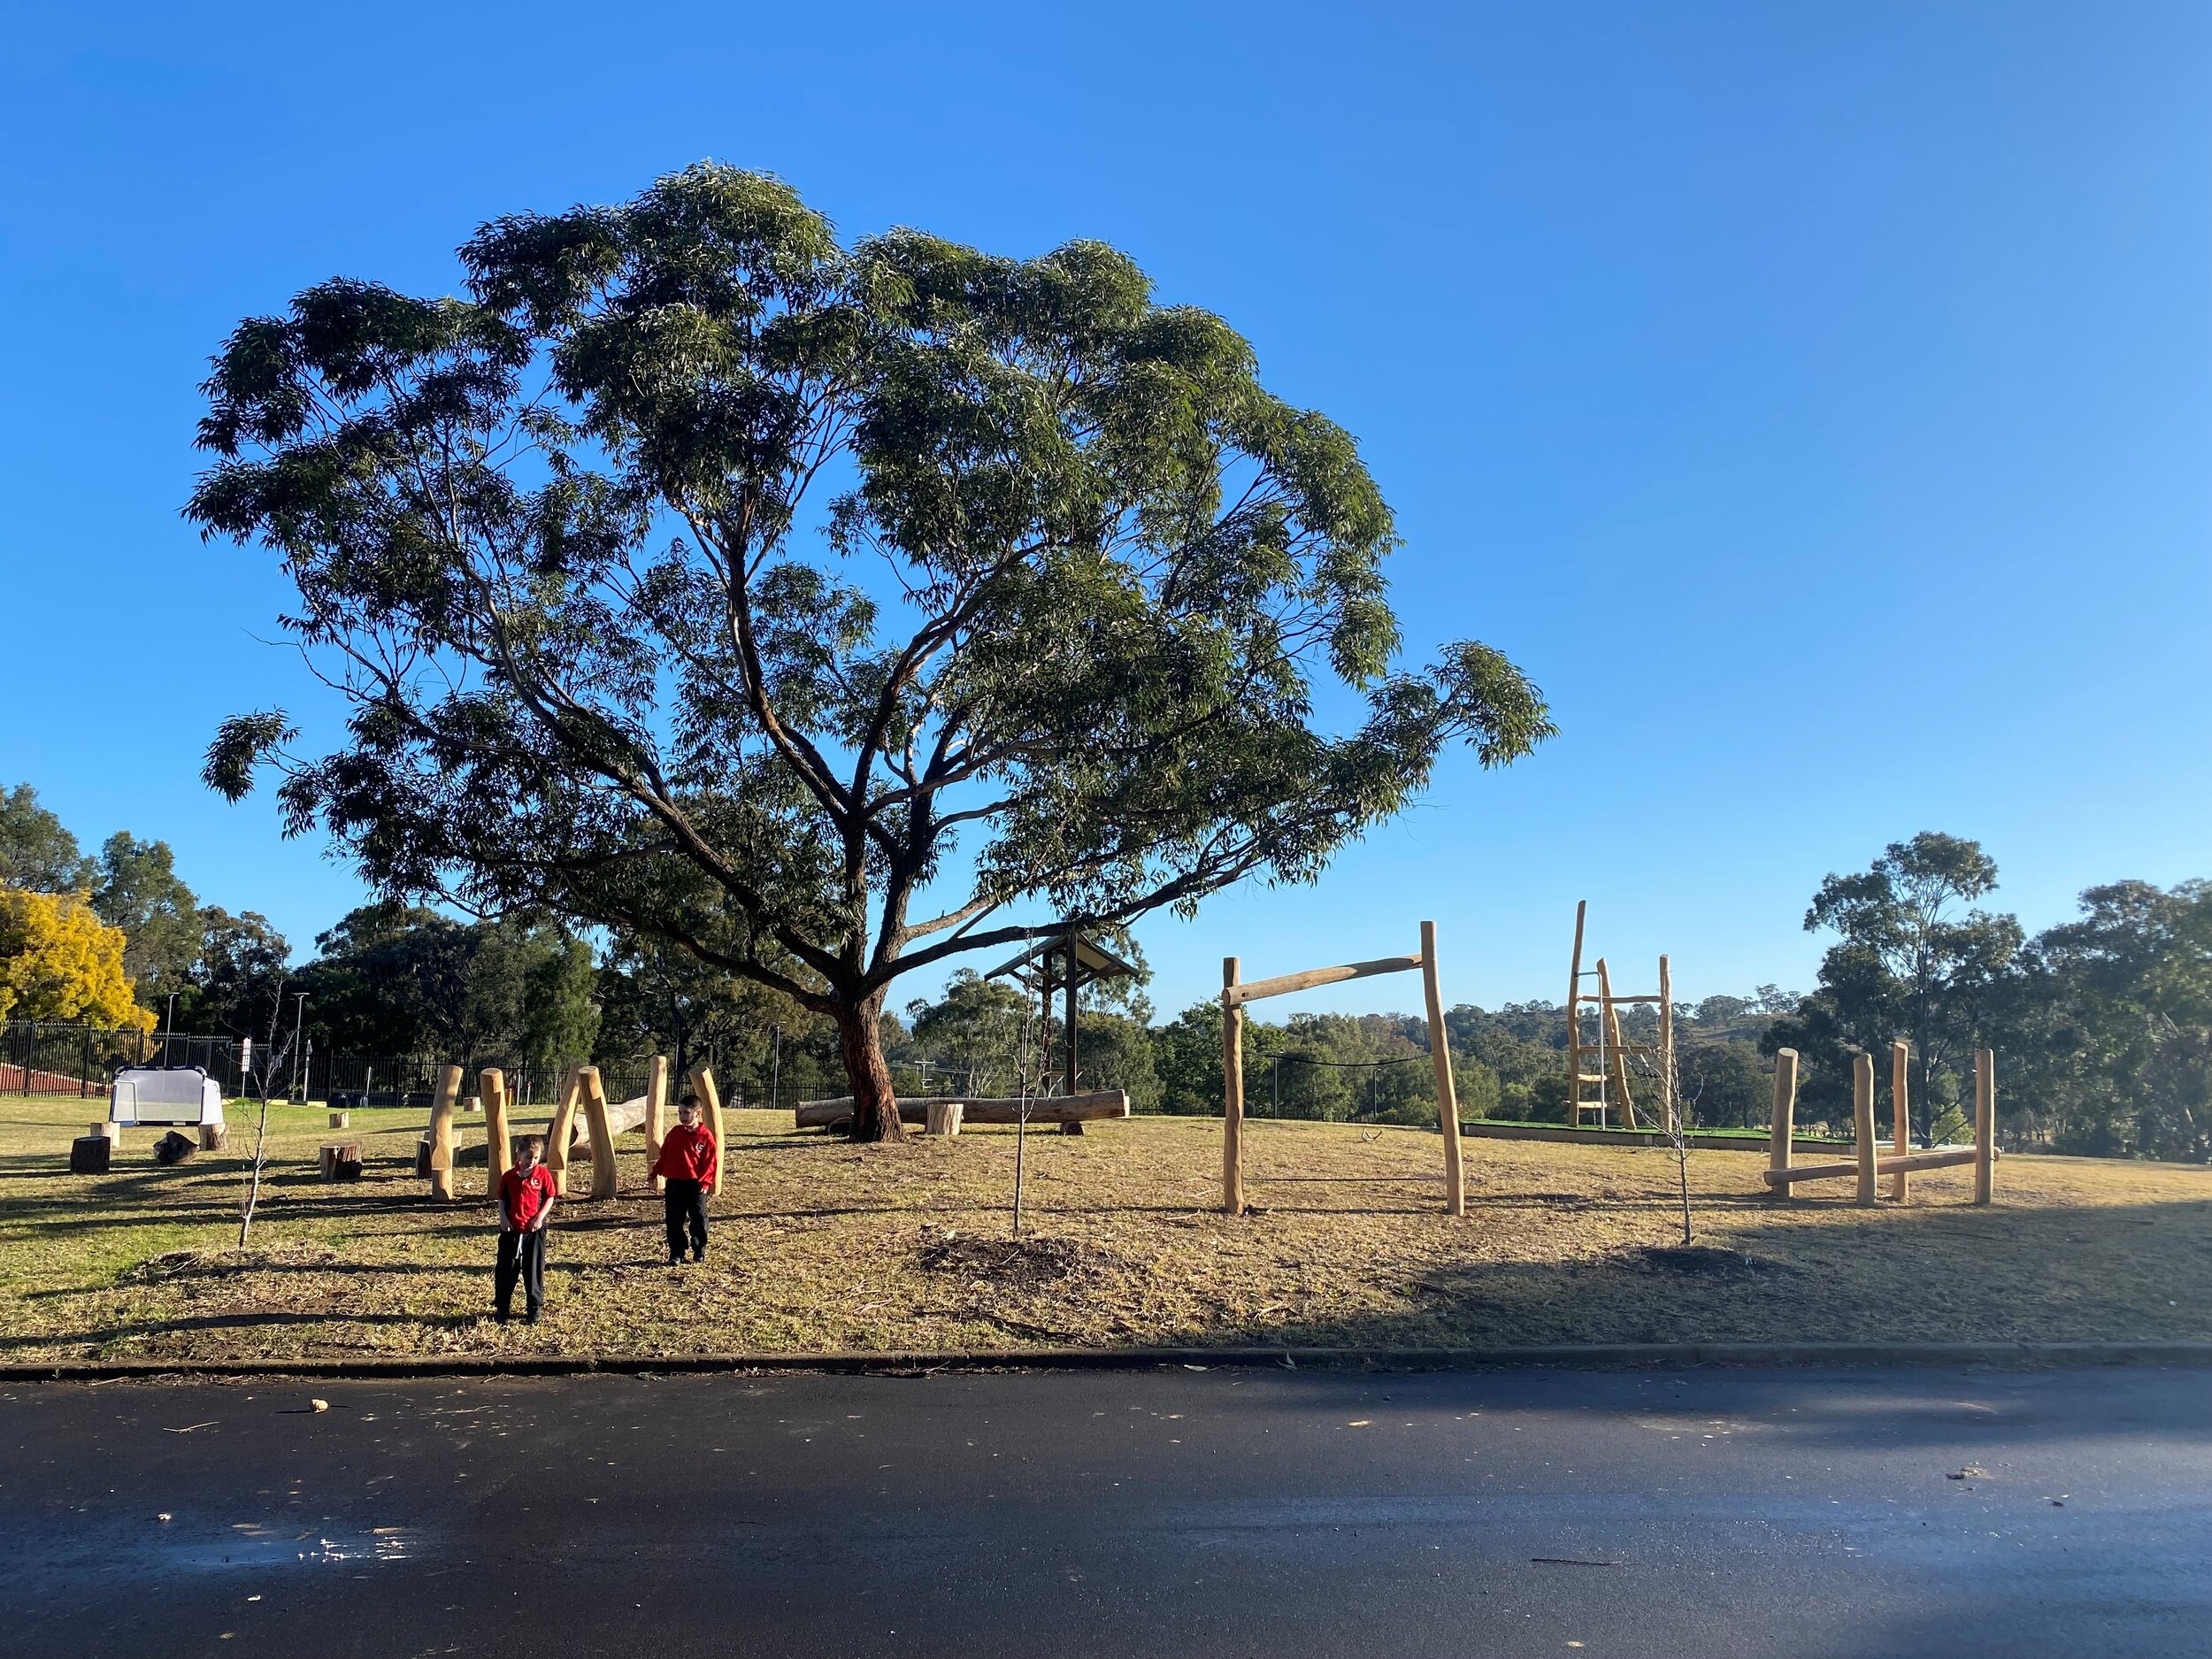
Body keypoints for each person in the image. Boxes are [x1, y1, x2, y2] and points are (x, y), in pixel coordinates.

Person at [495, 1133, 557, 1323]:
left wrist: (540, 1217)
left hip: (534, 1230)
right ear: (518, 1154)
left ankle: (534, 1308)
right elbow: (502, 1199)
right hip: (511, 1229)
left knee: (533, 1269)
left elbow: (550, 1197)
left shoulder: (543, 1175)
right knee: (507, 1268)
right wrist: (503, 1219)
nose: (532, 1161)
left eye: (536, 1158)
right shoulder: (509, 1176)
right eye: (528, 1157)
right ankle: (502, 1308)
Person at [652, 1094, 718, 1265]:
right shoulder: (675, 1133)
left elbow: (711, 1162)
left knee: (698, 1219)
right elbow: (665, 1155)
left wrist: (705, 1183)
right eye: (680, 1113)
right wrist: (655, 1172)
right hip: (674, 1183)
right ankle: (676, 1252)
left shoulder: (706, 1136)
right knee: (673, 1220)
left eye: (687, 1113)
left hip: (695, 1185)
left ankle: (699, 1250)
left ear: (698, 1113)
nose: (682, 1117)